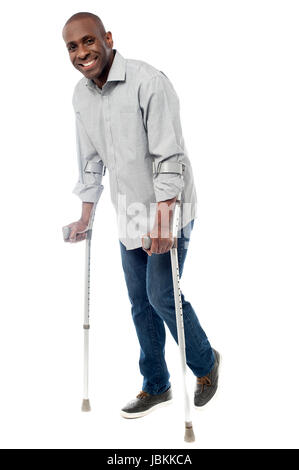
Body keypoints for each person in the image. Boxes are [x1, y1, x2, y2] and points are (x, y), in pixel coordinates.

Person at [62, 11, 220, 418]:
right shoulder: (81, 96)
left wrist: (164, 222)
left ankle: (206, 364)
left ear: (107, 38)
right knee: (139, 302)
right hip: (128, 211)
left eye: (88, 41)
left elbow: (171, 158)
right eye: (73, 47)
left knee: (161, 294)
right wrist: (85, 216)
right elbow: (92, 162)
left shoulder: (148, 82)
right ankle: (156, 385)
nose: (82, 52)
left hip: (169, 208)